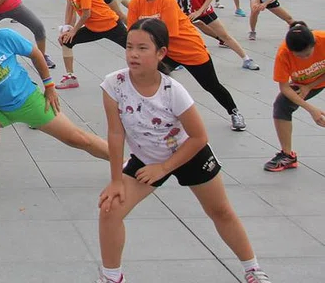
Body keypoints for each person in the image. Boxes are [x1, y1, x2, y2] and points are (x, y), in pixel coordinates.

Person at [97, 18, 271, 283]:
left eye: (142, 48)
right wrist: (116, 180)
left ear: (161, 53)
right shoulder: (114, 84)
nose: (133, 54)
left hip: (189, 153)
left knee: (220, 211)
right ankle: (112, 277)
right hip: (146, 158)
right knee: (110, 210)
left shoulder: (172, 90)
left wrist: (164, 168)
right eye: (130, 46)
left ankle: (253, 269)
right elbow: (115, 133)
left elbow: (199, 136)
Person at [0, 0, 108, 188]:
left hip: (29, 101)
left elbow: (35, 54)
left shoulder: (3, 37)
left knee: (78, 138)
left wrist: (49, 86)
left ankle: (125, 163)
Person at [128, 0, 246, 131]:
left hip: (189, 48)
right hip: (165, 51)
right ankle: (154, 116)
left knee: (211, 85)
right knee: (149, 78)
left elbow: (169, 33)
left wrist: (148, 48)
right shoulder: (136, 2)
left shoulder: (167, 1)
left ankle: (234, 111)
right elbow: (132, 30)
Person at [56, 0, 128, 90]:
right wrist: (67, 29)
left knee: (132, 47)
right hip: (93, 28)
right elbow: (70, 9)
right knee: (66, 41)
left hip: (110, 24)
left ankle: (156, 68)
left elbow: (86, 14)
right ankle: (70, 77)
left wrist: (74, 31)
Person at [263, 21, 325, 173]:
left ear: (314, 44)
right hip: (304, 83)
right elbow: (284, 87)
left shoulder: (322, 39)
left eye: (307, 54)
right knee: (281, 105)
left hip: (314, 81)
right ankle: (287, 155)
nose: (304, 58)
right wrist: (311, 109)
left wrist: (310, 86)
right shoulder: (283, 53)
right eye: (299, 56)